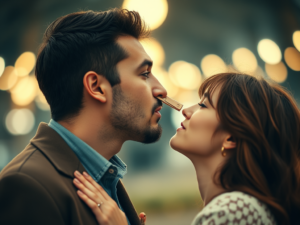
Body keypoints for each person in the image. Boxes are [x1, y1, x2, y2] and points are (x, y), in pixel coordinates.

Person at [0, 8, 167, 225]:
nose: (161, 90)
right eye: (144, 74)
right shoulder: (27, 184)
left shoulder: (103, 174)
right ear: (96, 87)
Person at [73, 72, 300, 225]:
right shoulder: (243, 208)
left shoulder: (231, 211)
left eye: (203, 105)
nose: (185, 110)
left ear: (231, 136)